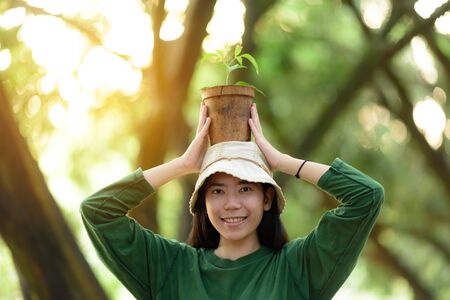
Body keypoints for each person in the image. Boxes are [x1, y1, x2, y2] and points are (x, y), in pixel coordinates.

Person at [80, 103, 384, 300]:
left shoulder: (298, 267)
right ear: (202, 202)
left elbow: (366, 196)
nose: (231, 204)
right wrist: (184, 164)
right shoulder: (169, 267)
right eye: (217, 191)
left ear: (267, 198)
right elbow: (97, 211)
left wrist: (281, 160)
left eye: (245, 189)